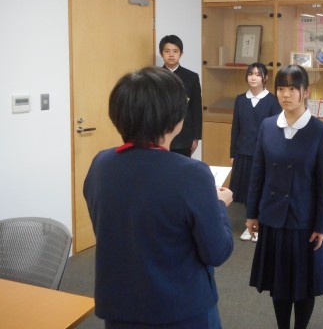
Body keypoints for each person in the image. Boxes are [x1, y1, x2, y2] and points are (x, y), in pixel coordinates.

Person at [83, 66, 234, 328]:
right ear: (174, 118)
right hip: (180, 311)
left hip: (120, 309)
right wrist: (219, 204)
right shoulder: (192, 174)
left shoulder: (101, 164)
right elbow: (217, 251)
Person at [246, 64, 323, 329]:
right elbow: (257, 173)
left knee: (304, 285)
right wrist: (252, 213)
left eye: (293, 89)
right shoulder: (267, 126)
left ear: (306, 92)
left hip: (304, 220)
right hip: (273, 216)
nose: (286, 94)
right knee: (279, 283)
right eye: (281, 88)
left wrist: (322, 225)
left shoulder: (321, 131)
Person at [229, 62, 280, 242]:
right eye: (251, 74)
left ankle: (260, 225)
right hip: (243, 151)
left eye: (258, 74)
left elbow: (276, 130)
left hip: (264, 153)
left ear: (265, 78)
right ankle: (250, 224)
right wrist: (233, 153)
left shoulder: (272, 100)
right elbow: (235, 128)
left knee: (262, 188)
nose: (253, 77)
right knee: (246, 190)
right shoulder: (240, 99)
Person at [159, 34, 202, 157]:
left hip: (185, 135)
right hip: (160, 134)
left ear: (181, 54)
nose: (171, 55)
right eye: (167, 51)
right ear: (161, 54)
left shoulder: (192, 77)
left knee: (183, 166)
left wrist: (196, 137)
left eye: (175, 51)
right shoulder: (155, 77)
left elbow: (196, 108)